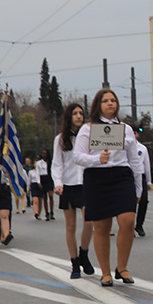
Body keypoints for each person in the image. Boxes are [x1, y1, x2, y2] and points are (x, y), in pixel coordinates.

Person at [71, 88, 146, 286]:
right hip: (97, 177)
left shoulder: (126, 129)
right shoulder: (87, 129)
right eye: (105, 101)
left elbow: (134, 160)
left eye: (113, 100)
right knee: (102, 226)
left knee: (128, 220)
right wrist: (97, 159)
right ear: (98, 104)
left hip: (121, 176)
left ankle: (122, 267)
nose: (110, 103)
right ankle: (105, 272)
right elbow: (77, 156)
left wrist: (139, 187)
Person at [53, 103, 95, 278]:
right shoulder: (60, 139)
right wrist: (58, 182)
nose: (78, 116)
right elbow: (57, 164)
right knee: (70, 226)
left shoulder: (89, 136)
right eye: (75, 113)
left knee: (89, 222)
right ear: (69, 116)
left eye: (81, 113)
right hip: (69, 185)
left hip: (86, 184)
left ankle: (84, 253)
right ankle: (74, 262)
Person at [132, 142, 151, 237]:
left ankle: (139, 225)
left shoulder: (142, 148)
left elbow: (146, 164)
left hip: (141, 176)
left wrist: (149, 181)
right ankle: (129, 227)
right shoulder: (124, 146)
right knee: (130, 203)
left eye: (135, 133)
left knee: (143, 201)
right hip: (129, 176)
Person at [37, 150, 55, 220]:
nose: (44, 155)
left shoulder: (51, 162)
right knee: (44, 197)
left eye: (45, 153)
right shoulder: (39, 163)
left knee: (50, 195)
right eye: (43, 153)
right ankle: (46, 213)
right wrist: (39, 182)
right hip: (43, 179)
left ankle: (51, 212)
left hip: (49, 178)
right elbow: (37, 173)